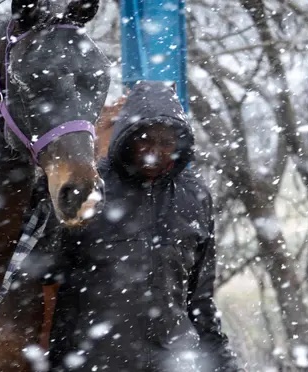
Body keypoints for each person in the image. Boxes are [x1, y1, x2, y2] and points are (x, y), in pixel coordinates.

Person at [43, 81, 242, 372]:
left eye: (166, 143)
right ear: (127, 137)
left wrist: (223, 363)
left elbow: (199, 299)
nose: (154, 152)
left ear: (179, 146)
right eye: (145, 139)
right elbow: (50, 285)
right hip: (95, 362)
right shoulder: (91, 193)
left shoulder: (195, 197)